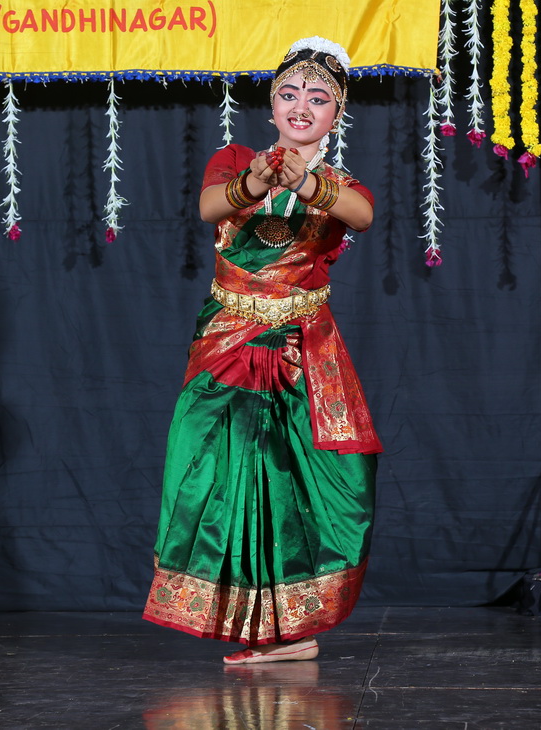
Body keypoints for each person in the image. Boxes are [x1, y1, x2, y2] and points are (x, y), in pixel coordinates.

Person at [142, 37, 382, 665]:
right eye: (289, 93)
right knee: (221, 475)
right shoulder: (235, 158)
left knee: (293, 482)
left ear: (337, 114)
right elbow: (209, 207)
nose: (301, 105)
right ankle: (250, 626)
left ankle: (292, 631)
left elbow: (361, 215)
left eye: (318, 98)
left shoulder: (339, 181)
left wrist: (307, 183)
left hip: (301, 352)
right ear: (271, 103)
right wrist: (257, 179)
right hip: (228, 343)